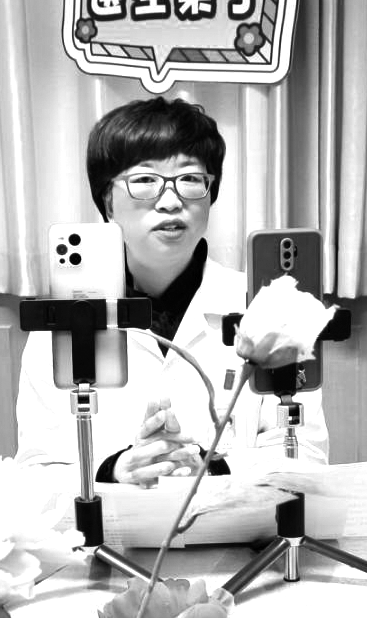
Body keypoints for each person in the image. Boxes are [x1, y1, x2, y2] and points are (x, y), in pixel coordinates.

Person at [16, 97, 328, 485]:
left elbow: (307, 455)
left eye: (190, 179)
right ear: (107, 201)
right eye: (145, 180)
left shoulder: (266, 308)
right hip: (114, 525)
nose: (170, 201)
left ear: (211, 193)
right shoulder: (61, 322)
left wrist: (214, 470)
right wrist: (114, 471)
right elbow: (37, 474)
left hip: (233, 523)